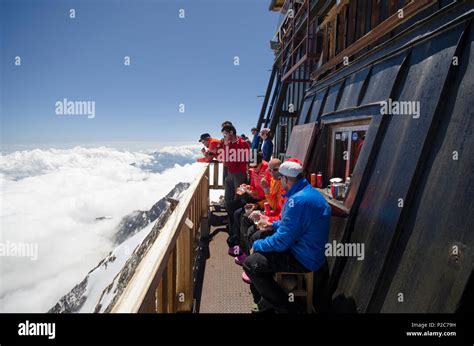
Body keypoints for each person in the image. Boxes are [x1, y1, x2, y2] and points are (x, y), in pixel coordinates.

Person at [243, 158, 331, 313]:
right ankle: (269, 293)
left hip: (303, 258)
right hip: (310, 250)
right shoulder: (308, 193)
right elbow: (295, 226)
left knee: (251, 264)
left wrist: (258, 246)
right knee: (258, 236)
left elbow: (282, 242)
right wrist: (272, 224)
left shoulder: (297, 201)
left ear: (285, 179)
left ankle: (286, 307)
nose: (278, 182)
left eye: (279, 178)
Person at [236, 158, 285, 266]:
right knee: (240, 214)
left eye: (275, 170)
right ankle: (245, 251)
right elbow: (272, 202)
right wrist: (249, 189)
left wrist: (265, 192)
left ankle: (250, 258)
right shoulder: (273, 179)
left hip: (272, 213)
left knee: (248, 224)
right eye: (270, 170)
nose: (272, 172)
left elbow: (275, 205)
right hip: (269, 210)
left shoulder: (283, 184)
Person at [221, 124, 250, 249]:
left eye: (225, 134)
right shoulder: (227, 144)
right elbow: (223, 157)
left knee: (237, 199)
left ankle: (236, 231)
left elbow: (246, 158)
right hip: (230, 172)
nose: (224, 136)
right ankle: (230, 223)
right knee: (228, 200)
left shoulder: (242, 143)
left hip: (239, 173)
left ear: (231, 132)